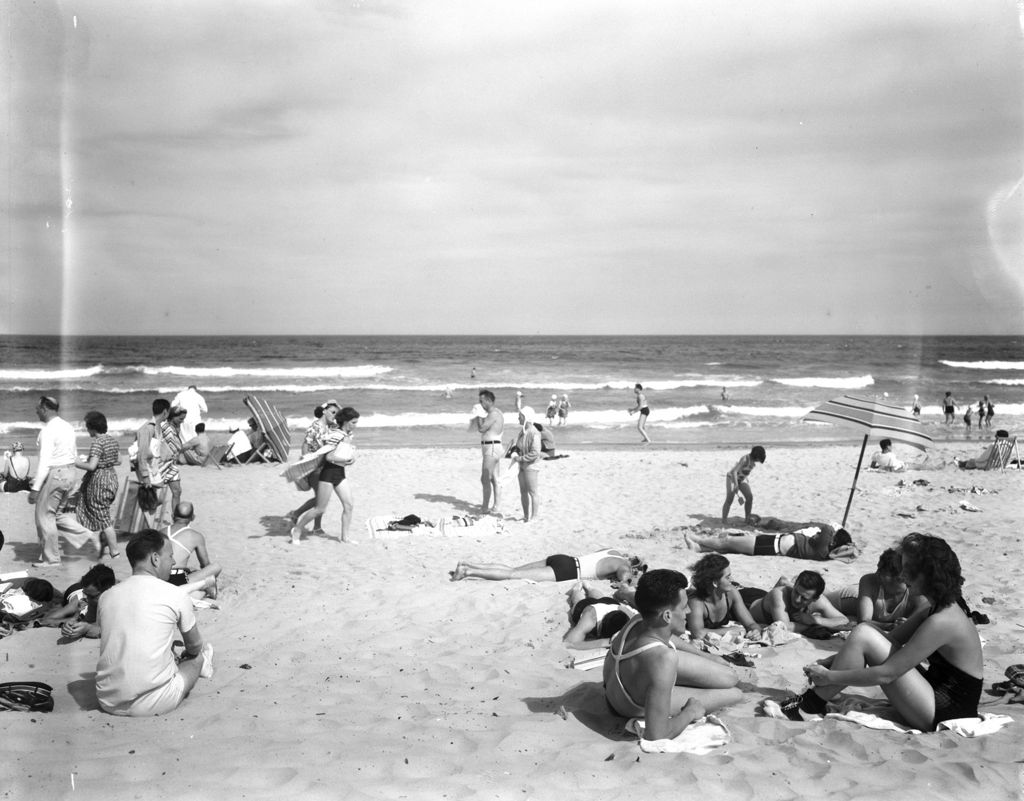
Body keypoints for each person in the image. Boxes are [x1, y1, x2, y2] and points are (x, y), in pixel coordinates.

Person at [778, 534, 983, 730]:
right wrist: (830, 661)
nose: (902, 576)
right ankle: (811, 703)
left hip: (946, 711)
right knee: (864, 632)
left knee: (863, 633)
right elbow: (888, 640)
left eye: (908, 570)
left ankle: (808, 706)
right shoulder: (936, 607)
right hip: (932, 693)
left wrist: (830, 676)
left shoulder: (942, 620)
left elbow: (887, 674)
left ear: (928, 574)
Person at [602, 569, 742, 739]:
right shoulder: (663, 659)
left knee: (730, 677)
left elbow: (668, 639)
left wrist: (705, 656)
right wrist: (690, 713)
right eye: (684, 607)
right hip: (630, 706)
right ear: (667, 615)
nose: (689, 612)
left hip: (618, 688)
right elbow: (656, 734)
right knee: (734, 693)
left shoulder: (637, 621)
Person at [94, 529, 213, 717]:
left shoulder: (106, 596)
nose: (173, 562)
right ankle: (201, 667)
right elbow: (195, 645)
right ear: (155, 559)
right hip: (155, 702)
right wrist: (190, 656)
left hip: (107, 700)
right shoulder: (175, 593)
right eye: (170, 556)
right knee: (197, 656)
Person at [291, 406, 360, 544]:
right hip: (328, 474)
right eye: (353, 422)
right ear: (345, 421)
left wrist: (352, 458)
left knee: (349, 505)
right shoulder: (336, 435)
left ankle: (345, 538)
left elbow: (342, 453)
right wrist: (345, 460)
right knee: (319, 509)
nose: (355, 425)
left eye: (356, 422)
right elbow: (329, 457)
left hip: (340, 474)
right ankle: (297, 529)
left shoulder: (347, 436)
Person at [28, 396, 78, 567]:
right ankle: (49, 553)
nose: (36, 411)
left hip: (56, 473)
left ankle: (51, 559)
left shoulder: (48, 430)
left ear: (45, 409)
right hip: (69, 472)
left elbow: (45, 461)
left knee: (45, 516)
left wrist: (35, 488)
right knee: (54, 515)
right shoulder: (68, 426)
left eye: (37, 408)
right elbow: (74, 454)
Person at [825, 548, 926, 631]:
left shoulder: (916, 594)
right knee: (820, 598)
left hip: (867, 599)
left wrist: (904, 625)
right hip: (852, 596)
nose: (877, 573)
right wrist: (891, 626)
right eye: (878, 569)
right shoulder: (870, 580)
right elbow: (863, 621)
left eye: (881, 571)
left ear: (900, 577)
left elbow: (915, 627)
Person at [687, 519, 858, 562]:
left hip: (772, 545)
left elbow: (828, 527)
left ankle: (698, 539)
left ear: (834, 541)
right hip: (774, 543)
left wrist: (837, 528)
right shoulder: (824, 551)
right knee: (734, 547)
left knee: (728, 542)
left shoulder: (823, 548)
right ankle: (700, 548)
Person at [73, 411, 122, 559]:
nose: (87, 430)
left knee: (103, 518)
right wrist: (105, 461)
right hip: (111, 478)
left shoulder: (97, 443)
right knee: (103, 514)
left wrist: (76, 462)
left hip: (99, 481)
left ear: (93, 428)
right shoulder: (112, 440)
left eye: (87, 427)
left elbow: (91, 466)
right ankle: (105, 544)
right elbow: (119, 460)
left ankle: (114, 551)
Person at [286, 401, 339, 532]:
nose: (335, 415)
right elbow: (305, 445)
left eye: (335, 413)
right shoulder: (315, 427)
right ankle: (308, 522)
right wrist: (306, 462)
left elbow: (344, 419)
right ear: (324, 411)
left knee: (320, 498)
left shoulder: (330, 426)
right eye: (332, 412)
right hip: (314, 467)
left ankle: (300, 516)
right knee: (320, 499)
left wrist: (337, 404)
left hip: (324, 465)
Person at [451, 548, 645, 583]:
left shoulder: (613, 551)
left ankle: (468, 563)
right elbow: (624, 578)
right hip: (567, 571)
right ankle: (468, 572)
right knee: (512, 575)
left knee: (514, 569)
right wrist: (630, 577)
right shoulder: (624, 566)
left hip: (563, 559)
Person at [742, 570, 849, 634]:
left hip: (765, 599)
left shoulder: (819, 601)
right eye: (796, 592)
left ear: (814, 599)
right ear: (795, 585)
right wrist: (813, 626)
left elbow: (844, 621)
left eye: (804, 598)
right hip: (747, 602)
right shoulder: (778, 594)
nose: (797, 599)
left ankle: (784, 583)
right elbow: (783, 626)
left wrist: (816, 620)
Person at [685, 555, 761, 641]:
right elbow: (697, 633)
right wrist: (729, 630)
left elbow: (751, 623)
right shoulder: (696, 601)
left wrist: (755, 631)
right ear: (715, 583)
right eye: (727, 577)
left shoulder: (731, 593)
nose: (731, 580)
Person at [39, 563, 116, 640]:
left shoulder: (120, 599)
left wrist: (88, 628)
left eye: (92, 597)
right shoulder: (86, 598)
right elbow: (89, 621)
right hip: (74, 592)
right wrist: (72, 624)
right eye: (86, 594)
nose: (88, 599)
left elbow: (114, 630)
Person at [164, 502, 222, 599]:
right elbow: (205, 564)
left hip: (158, 579)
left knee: (189, 570)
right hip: (176, 580)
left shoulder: (160, 532)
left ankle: (193, 593)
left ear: (172, 516)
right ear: (193, 517)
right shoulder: (195, 536)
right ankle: (201, 591)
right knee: (216, 567)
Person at [562, 581, 636, 651]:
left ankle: (589, 587)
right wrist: (606, 642)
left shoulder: (629, 616)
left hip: (611, 604)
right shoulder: (590, 618)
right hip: (588, 608)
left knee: (600, 597)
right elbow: (569, 642)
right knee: (578, 601)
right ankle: (576, 590)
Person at [509, 406, 542, 522]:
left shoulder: (534, 433)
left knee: (532, 492)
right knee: (523, 491)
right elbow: (518, 447)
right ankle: (526, 516)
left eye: (520, 416)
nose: (518, 418)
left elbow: (535, 453)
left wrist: (520, 458)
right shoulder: (522, 432)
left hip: (531, 466)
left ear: (526, 417)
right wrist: (513, 451)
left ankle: (534, 517)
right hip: (522, 465)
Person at [474, 390, 504, 514]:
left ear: (489, 401)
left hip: (491, 448)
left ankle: (485, 507)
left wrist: (477, 415)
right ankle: (496, 506)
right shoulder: (496, 413)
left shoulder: (493, 414)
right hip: (493, 447)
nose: (480, 404)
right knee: (494, 479)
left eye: (482, 401)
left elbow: (481, 428)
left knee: (485, 478)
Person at [721, 445, 766, 524]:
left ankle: (747, 519)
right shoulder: (745, 459)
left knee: (749, 497)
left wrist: (742, 480)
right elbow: (735, 471)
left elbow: (744, 472)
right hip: (731, 478)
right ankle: (724, 520)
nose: (758, 461)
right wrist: (735, 484)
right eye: (759, 458)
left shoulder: (753, 462)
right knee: (729, 499)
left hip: (741, 480)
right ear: (756, 455)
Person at [133, 399, 171, 490]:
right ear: (165, 412)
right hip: (146, 468)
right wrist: (145, 476)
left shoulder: (157, 427)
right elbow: (142, 452)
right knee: (154, 495)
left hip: (153, 466)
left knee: (157, 495)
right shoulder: (148, 428)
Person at [160, 407, 187, 509]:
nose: (182, 421)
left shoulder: (175, 428)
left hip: (171, 464)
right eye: (180, 419)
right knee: (160, 499)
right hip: (162, 464)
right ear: (172, 417)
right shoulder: (165, 427)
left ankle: (175, 518)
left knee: (177, 491)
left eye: (183, 419)